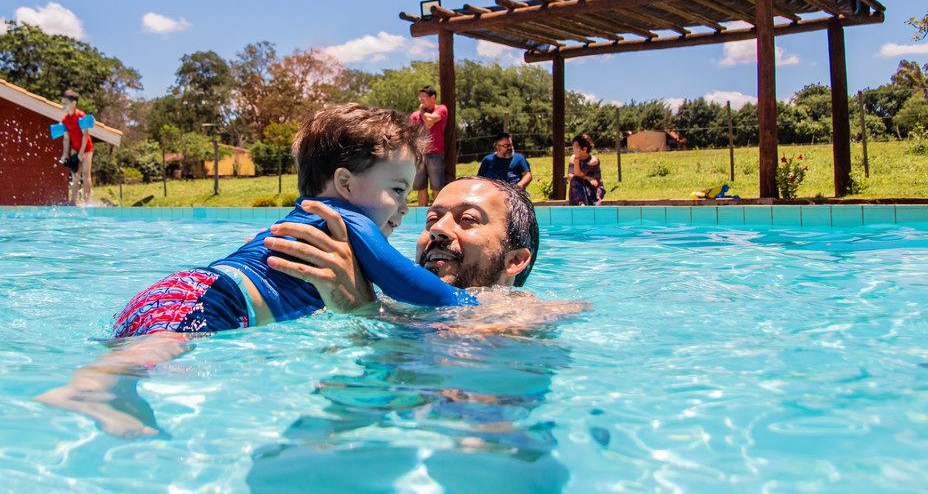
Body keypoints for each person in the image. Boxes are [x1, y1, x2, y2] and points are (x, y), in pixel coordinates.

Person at [37, 177, 585, 437]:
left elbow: (470, 403)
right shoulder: (390, 295)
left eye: (466, 220)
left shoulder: (536, 313)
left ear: (516, 259)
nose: (438, 230)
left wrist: (363, 312)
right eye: (432, 217)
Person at [109, 104, 476, 339]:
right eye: (397, 190)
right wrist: (468, 304)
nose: (405, 207)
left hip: (177, 292)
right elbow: (411, 285)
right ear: (345, 183)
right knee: (141, 361)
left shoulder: (309, 217)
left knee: (137, 367)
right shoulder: (347, 218)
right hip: (216, 300)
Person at [410, 85, 449, 207]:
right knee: (420, 186)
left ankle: (436, 212)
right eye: (420, 97)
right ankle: (422, 212)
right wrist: (427, 121)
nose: (421, 100)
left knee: (437, 186)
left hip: (435, 153)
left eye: (424, 97)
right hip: (419, 154)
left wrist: (423, 112)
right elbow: (415, 133)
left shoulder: (441, 109)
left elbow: (430, 120)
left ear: (433, 98)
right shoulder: (414, 115)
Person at [58, 89, 94, 206]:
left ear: (73, 103)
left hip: (86, 148)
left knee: (85, 174)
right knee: (74, 175)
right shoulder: (65, 119)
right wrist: (65, 154)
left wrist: (81, 152)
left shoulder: (81, 116)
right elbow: (66, 138)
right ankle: (73, 201)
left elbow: (85, 135)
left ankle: (87, 202)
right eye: (62, 103)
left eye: (65, 103)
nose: (63, 105)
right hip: (75, 148)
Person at [567, 133, 604, 206]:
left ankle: (583, 204)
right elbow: (570, 176)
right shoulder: (573, 158)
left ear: (584, 149)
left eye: (576, 147)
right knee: (575, 180)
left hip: (592, 188)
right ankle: (581, 204)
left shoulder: (593, 161)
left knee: (576, 179)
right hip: (579, 188)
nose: (573, 149)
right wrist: (586, 177)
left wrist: (577, 158)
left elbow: (577, 174)